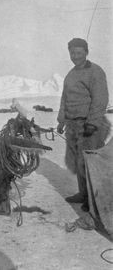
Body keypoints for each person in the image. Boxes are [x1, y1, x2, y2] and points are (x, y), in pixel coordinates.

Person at [57, 38, 110, 212]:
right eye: (72, 52)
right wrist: (61, 120)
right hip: (73, 125)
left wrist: (93, 123)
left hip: (89, 125)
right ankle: (83, 194)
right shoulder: (70, 75)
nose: (75, 56)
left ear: (86, 52)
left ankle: (95, 199)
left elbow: (100, 99)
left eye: (79, 52)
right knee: (77, 162)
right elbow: (65, 99)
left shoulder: (95, 72)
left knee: (90, 163)